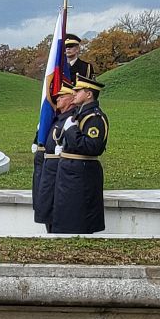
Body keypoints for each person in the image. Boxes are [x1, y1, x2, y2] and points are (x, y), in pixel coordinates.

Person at [51, 75, 109, 234]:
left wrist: (71, 130)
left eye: (78, 90)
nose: (74, 93)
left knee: (77, 217)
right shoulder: (80, 114)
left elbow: (92, 147)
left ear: (89, 94)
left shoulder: (94, 118)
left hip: (81, 172)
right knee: (65, 215)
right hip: (70, 170)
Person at [33, 82, 76, 231]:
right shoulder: (58, 119)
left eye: (62, 96)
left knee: (54, 208)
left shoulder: (70, 120)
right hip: (48, 168)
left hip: (57, 170)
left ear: (71, 99)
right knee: (45, 206)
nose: (57, 99)